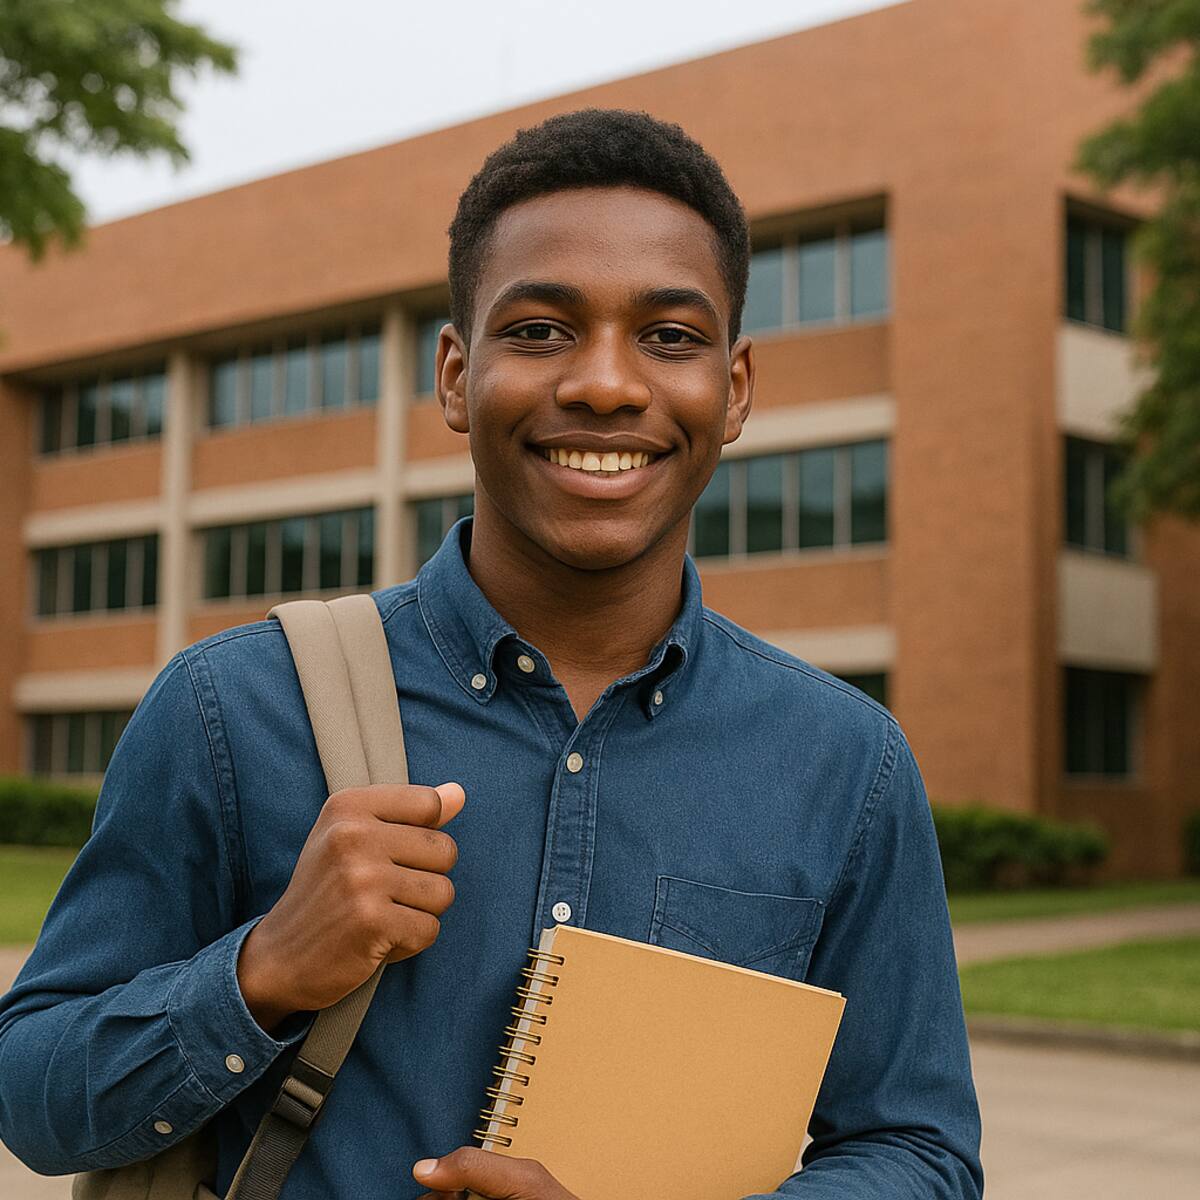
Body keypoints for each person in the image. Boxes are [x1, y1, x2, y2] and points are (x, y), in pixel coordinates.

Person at [0, 109, 983, 1199]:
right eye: (541, 330)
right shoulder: (233, 709)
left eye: (669, 337)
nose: (605, 383)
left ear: (735, 388)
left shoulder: (846, 764)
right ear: (456, 377)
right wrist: (262, 972)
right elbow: (32, 1095)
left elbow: (919, 1151)